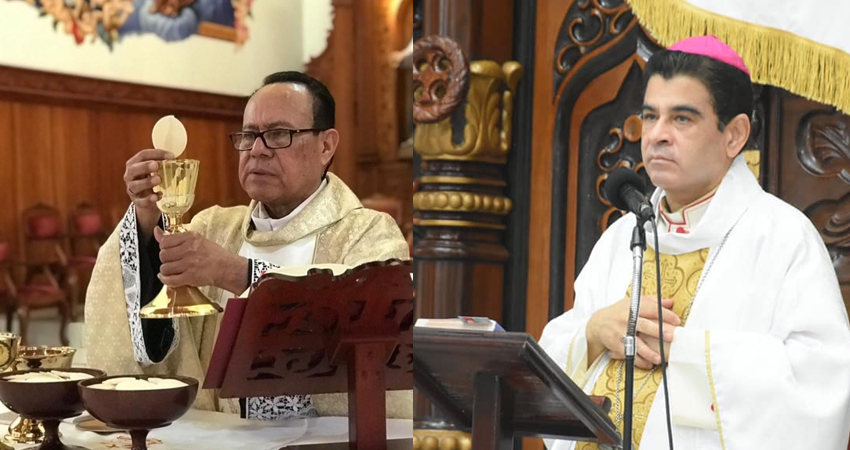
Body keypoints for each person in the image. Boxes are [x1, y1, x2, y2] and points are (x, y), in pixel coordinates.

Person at [539, 36, 850, 450]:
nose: (657, 136)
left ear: (734, 135)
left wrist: (687, 353)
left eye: (682, 119)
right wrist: (594, 334)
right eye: (651, 117)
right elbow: (550, 360)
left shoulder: (782, 237)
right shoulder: (623, 236)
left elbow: (822, 388)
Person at [85, 71, 411, 420]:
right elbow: (151, 322)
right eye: (249, 135)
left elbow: (364, 326)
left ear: (326, 145)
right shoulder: (213, 228)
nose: (257, 150)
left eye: (278, 134)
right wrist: (147, 219)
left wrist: (237, 274)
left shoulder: (369, 233)